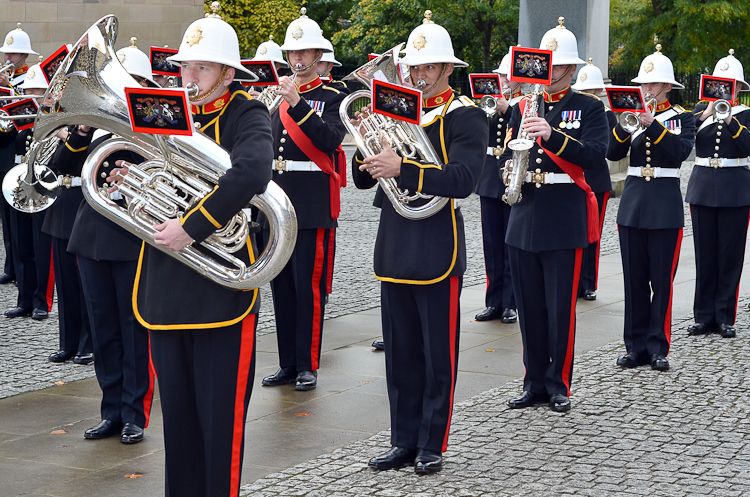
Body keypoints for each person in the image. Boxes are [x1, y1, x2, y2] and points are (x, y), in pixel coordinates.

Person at [108, 5, 273, 495]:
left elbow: (251, 173)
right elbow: (141, 164)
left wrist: (193, 226)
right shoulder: (168, 109)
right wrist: (126, 181)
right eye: (185, 66)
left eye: (201, 67)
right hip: (164, 288)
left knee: (220, 427)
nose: (189, 75)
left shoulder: (247, 111)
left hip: (220, 287)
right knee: (178, 427)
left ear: (227, 72)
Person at [353, 10, 487, 474]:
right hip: (394, 240)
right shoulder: (394, 108)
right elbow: (361, 180)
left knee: (436, 355)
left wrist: (403, 168)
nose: (419, 75)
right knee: (401, 355)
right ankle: (402, 440)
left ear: (448, 69)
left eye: (429, 67)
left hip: (436, 241)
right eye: (413, 67)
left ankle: (432, 443)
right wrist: (368, 142)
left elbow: (464, 179)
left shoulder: (465, 115)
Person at [49, 39, 158, 444]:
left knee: (133, 330)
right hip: (91, 236)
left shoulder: (153, 123)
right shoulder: (96, 122)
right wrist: (79, 131)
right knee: (104, 329)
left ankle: (135, 413)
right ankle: (110, 410)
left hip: (132, 237)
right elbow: (61, 166)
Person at [502, 18, 609, 413]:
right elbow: (510, 153)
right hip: (525, 213)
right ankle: (532, 381)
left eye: (554, 66)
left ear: (570, 69)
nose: (547, 74)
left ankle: (558, 382)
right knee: (529, 306)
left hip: (564, 216)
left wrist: (552, 134)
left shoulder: (590, 107)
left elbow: (596, 154)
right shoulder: (523, 106)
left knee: (560, 307)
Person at [261, 8, 346, 392]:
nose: (297, 60)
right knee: (281, 287)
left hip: (312, 204)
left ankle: (308, 363)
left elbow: (329, 141)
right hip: (279, 203)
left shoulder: (334, 95)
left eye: (304, 53)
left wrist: (296, 104)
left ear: (318, 56)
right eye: (292, 54)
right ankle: (287, 363)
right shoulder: (277, 95)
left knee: (307, 288)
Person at [609, 44, 696, 371]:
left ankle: (658, 347)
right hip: (633, 203)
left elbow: (680, 152)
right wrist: (624, 126)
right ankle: (635, 347)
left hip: (663, 204)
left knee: (661, 281)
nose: (645, 89)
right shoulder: (631, 116)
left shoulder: (681, 117)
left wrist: (653, 125)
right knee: (633, 280)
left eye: (652, 84)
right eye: (643, 84)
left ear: (668, 87)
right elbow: (612, 152)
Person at [23, 57, 95, 365]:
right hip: (62, 200)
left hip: (83, 198)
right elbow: (55, 165)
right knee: (66, 283)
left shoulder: (91, 126)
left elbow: (77, 161)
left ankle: (88, 343)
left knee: (85, 282)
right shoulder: (67, 124)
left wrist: (74, 135)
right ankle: (68, 342)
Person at [685, 49, 750, 339]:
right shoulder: (700, 111)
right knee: (705, 255)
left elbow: (747, 146)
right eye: (719, 84)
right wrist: (708, 113)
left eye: (729, 85)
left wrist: (729, 119)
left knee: (730, 255)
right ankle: (703, 316)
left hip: (735, 188)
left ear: (737, 87)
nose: (723, 89)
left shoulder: (746, 114)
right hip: (702, 187)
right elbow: (683, 139)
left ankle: (724, 316)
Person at [0, 24, 54, 319]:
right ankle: (25, 298)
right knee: (21, 243)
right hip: (20, 183)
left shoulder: (54, 120)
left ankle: (42, 302)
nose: (33, 95)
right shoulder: (21, 117)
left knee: (41, 245)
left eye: (38, 91)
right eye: (29, 91)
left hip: (43, 186)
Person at [474, 49, 522, 323]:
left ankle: (510, 302)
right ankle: (493, 300)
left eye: (507, 75)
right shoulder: (489, 99)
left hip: (511, 172)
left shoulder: (526, 101)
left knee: (509, 242)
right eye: (501, 75)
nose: (503, 79)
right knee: (491, 243)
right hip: (490, 175)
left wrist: (509, 108)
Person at [570, 58, 614, 302]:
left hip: (595, 181)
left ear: (599, 91)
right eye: (583, 90)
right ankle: (575, 280)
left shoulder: (605, 115)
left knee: (592, 234)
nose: (587, 94)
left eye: (590, 90)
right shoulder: (575, 111)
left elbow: (602, 148)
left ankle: (589, 282)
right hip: (575, 178)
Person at [0, 23, 37, 287]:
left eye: (12, 55)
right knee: (6, 219)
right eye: (6, 54)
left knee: (17, 218)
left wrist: (10, 89)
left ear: (24, 56)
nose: (7, 59)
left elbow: (27, 112)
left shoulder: (29, 80)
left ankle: (19, 267)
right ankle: (10, 266)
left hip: (16, 152)